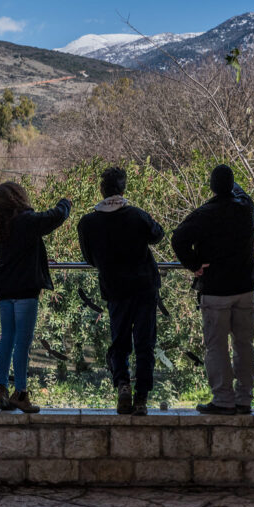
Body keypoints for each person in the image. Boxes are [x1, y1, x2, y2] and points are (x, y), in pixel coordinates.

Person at [171, 163, 254, 416]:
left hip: (216, 290)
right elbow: (240, 192)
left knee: (216, 346)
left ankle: (223, 399)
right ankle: (245, 399)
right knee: (245, 344)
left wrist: (194, 265)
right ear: (232, 186)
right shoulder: (245, 207)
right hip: (244, 287)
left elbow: (177, 238)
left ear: (211, 187)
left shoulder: (204, 214)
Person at [77, 166, 164, 416]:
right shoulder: (137, 215)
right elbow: (157, 234)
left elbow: (89, 258)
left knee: (120, 342)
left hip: (115, 289)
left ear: (101, 190)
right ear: (123, 189)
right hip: (145, 287)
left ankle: (123, 387)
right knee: (145, 343)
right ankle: (142, 398)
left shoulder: (88, 223)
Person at [0, 182, 71, 413]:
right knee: (22, 343)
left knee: (7, 337)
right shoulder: (26, 220)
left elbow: (8, 251)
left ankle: (2, 388)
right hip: (25, 288)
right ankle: (21, 394)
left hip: (4, 287)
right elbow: (54, 217)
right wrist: (65, 203)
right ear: (19, 198)